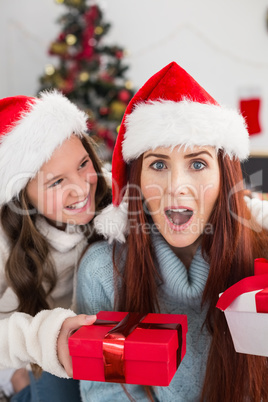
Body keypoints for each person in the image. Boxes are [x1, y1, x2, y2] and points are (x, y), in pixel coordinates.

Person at [76, 61, 268, 402]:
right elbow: (108, 393)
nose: (176, 186)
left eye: (197, 163)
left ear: (225, 178)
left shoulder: (261, 255)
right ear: (136, 180)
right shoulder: (103, 272)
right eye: (159, 164)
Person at [0, 90, 111, 402]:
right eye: (56, 182)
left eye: (83, 164)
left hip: (101, 334)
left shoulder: (111, 192)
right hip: (45, 344)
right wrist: (40, 341)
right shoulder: (6, 242)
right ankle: (20, 386)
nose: (80, 187)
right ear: (24, 196)